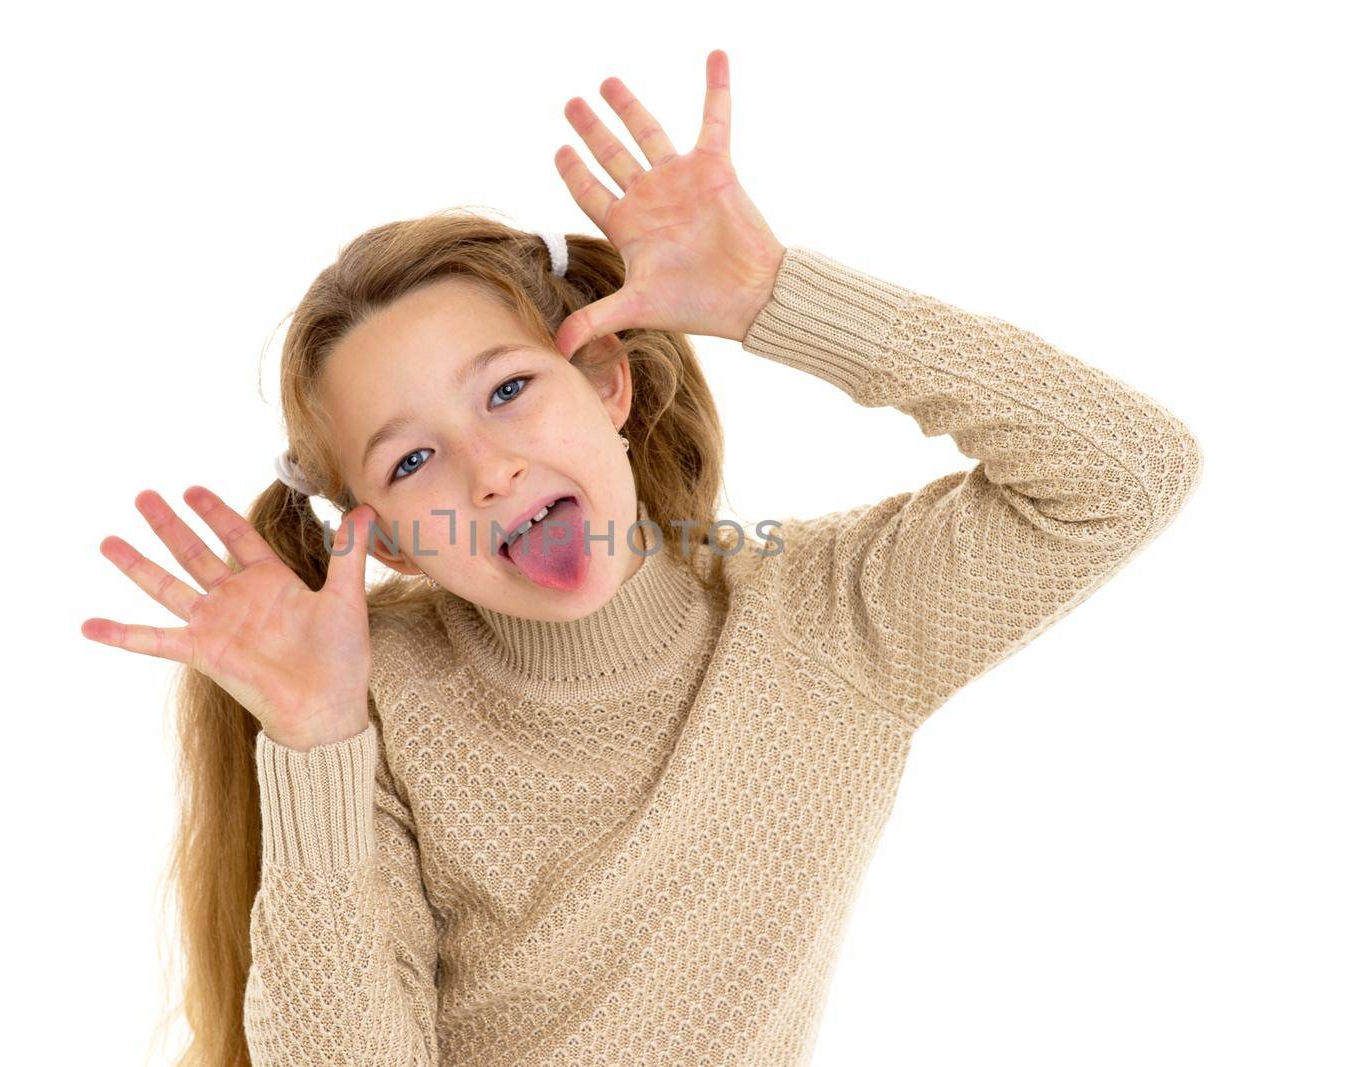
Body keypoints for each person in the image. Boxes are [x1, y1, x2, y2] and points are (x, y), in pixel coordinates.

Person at [82, 49, 1203, 1067]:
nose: (488, 470)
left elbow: (1125, 473)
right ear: (379, 527)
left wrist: (779, 301)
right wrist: (317, 741)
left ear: (608, 383)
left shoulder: (829, 621)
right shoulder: (379, 702)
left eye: (510, 390)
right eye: (413, 458)